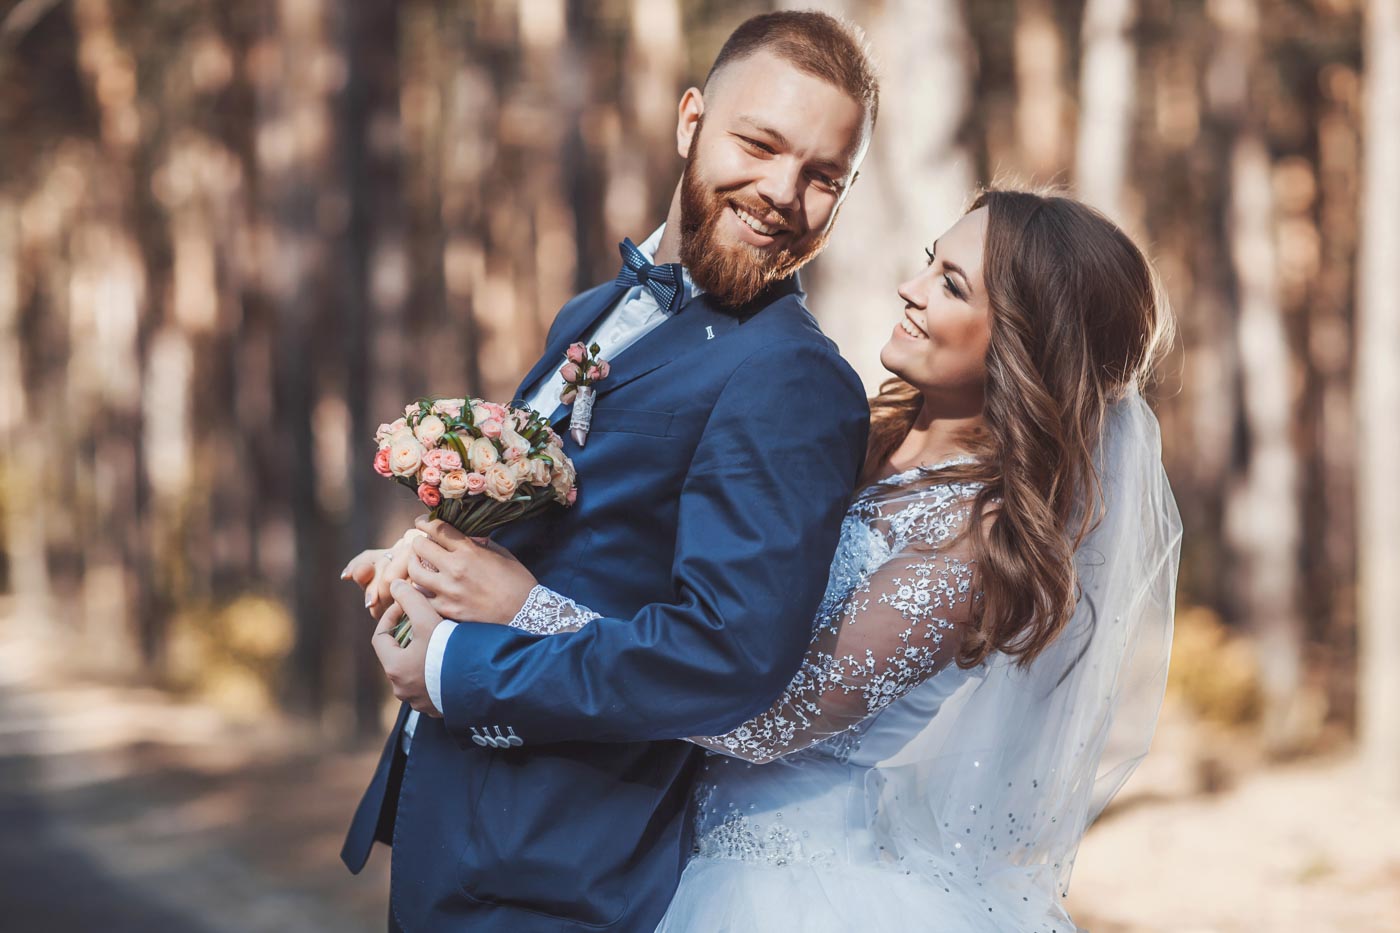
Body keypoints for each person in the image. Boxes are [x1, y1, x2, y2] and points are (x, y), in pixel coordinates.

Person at [395, 189, 1182, 931]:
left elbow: (758, 711)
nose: (909, 288)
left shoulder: (975, 546)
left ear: (1025, 341)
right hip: (646, 837)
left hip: (776, 883)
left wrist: (524, 608)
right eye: (927, 259)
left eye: (950, 284)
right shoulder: (852, 434)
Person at [340, 12, 880, 932]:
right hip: (454, 832)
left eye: (823, 176)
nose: (783, 192)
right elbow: (560, 527)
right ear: (689, 122)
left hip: (564, 868)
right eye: (760, 143)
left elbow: (726, 655)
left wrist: (462, 663)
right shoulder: (592, 312)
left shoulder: (794, 378)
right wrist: (432, 557)